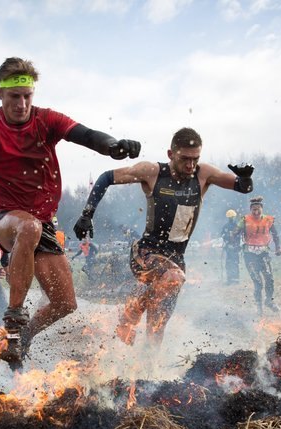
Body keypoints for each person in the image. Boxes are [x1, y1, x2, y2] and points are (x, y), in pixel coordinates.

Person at [0, 57, 141, 368]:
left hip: (42, 223)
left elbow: (88, 135)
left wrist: (114, 146)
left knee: (65, 303)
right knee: (29, 228)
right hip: (5, 219)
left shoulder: (46, 120)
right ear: (0, 93)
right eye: (14, 97)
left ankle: (23, 338)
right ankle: (12, 324)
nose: (22, 104)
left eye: (27, 96)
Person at [73, 127, 253, 349]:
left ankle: (149, 371)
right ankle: (130, 315)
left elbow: (240, 187)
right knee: (173, 277)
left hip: (177, 257)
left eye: (195, 159)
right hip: (146, 252)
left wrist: (245, 180)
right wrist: (86, 215)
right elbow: (106, 177)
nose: (190, 165)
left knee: (158, 326)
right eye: (184, 159)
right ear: (171, 154)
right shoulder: (153, 172)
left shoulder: (203, 174)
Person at [232, 197, 281, 315]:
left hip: (264, 253)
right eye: (254, 210)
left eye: (258, 209)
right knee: (258, 282)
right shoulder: (245, 220)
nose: (256, 212)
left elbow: (275, 234)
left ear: (262, 209)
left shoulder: (269, 220)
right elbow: (234, 233)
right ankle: (259, 308)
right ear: (250, 210)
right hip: (249, 254)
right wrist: (236, 245)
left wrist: (278, 248)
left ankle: (269, 300)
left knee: (269, 278)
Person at [220, 209, 241, 284]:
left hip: (234, 248)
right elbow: (222, 235)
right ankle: (230, 279)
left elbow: (240, 236)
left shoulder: (238, 226)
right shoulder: (227, 226)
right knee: (229, 263)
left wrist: (237, 244)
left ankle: (235, 279)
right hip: (229, 248)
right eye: (231, 217)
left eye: (232, 217)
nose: (232, 218)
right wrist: (227, 237)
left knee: (234, 263)